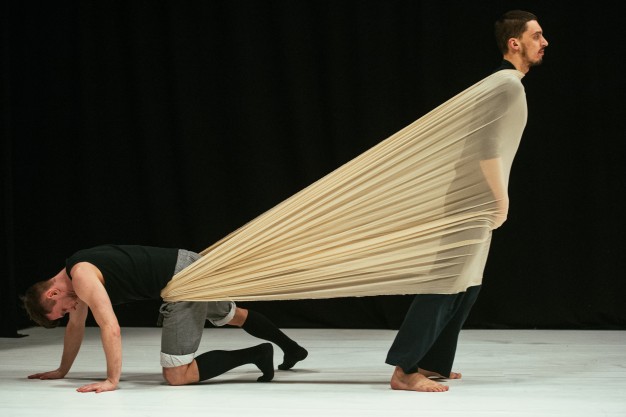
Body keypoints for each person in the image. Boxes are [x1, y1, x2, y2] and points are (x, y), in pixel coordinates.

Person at [385, 10, 548, 392]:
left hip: (475, 200)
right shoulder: (506, 86)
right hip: (473, 201)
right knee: (448, 282)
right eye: (536, 36)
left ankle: (433, 361)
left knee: (468, 284)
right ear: (515, 43)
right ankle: (405, 370)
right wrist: (501, 199)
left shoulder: (506, 84)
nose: (544, 42)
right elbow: (485, 148)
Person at [21, 244, 308, 393]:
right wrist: (62, 370)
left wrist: (111, 380)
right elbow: (76, 327)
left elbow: (111, 327)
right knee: (235, 316)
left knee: (176, 375)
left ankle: (257, 354)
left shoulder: (81, 277)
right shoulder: (77, 269)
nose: (70, 311)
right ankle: (293, 349)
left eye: (62, 310)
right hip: (190, 264)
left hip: (183, 281)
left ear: (53, 293)